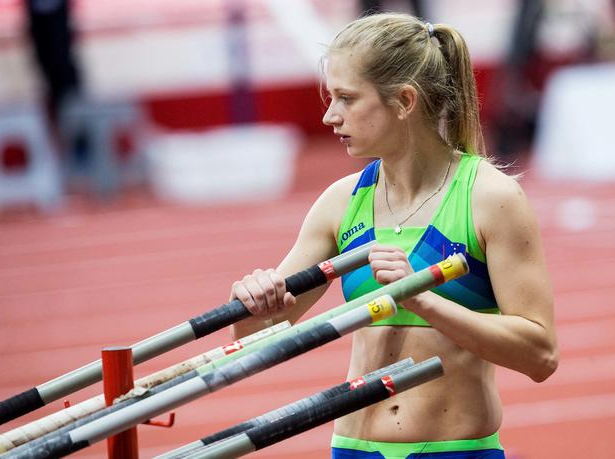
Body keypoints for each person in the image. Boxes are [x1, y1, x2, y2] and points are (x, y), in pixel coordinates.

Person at [230, 12, 558, 458]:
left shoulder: (490, 198)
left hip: (456, 451)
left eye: (347, 98)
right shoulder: (341, 201)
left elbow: (539, 355)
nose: (329, 115)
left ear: (404, 101)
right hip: (354, 449)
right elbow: (258, 338)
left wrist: (421, 298)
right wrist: (254, 305)